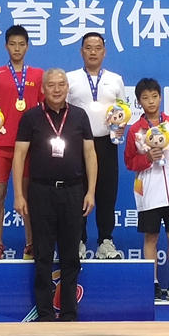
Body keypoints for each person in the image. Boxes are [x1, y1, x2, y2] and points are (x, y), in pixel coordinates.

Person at [13, 68, 96, 321]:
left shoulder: (79, 116)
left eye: (61, 84)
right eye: (51, 85)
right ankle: (45, 313)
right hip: (41, 192)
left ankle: (69, 312)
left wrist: (91, 191)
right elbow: (19, 156)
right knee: (43, 254)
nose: (57, 89)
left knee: (71, 255)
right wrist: (19, 195)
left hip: (73, 191)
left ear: (67, 87)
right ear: (43, 88)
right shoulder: (31, 117)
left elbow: (90, 154)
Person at [0, 25, 44, 260]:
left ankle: (30, 243)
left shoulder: (38, 75)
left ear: (27, 47)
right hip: (2, 145)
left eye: (21, 44)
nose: (17, 48)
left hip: (29, 147)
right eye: (13, 44)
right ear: (6, 46)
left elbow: (44, 108)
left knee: (27, 195)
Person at [124, 78, 169, 301]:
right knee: (151, 237)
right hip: (149, 192)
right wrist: (147, 158)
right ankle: (151, 283)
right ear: (138, 102)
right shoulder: (135, 130)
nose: (150, 101)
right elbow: (129, 162)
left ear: (160, 97)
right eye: (145, 98)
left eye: (154, 96)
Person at [66, 32, 126, 260]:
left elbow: (123, 110)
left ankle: (105, 242)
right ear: (81, 51)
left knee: (106, 193)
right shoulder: (70, 78)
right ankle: (78, 241)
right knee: (77, 193)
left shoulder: (115, 79)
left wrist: (121, 126)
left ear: (104, 52)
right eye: (88, 47)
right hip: (77, 145)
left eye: (97, 47)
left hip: (106, 143)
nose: (93, 52)